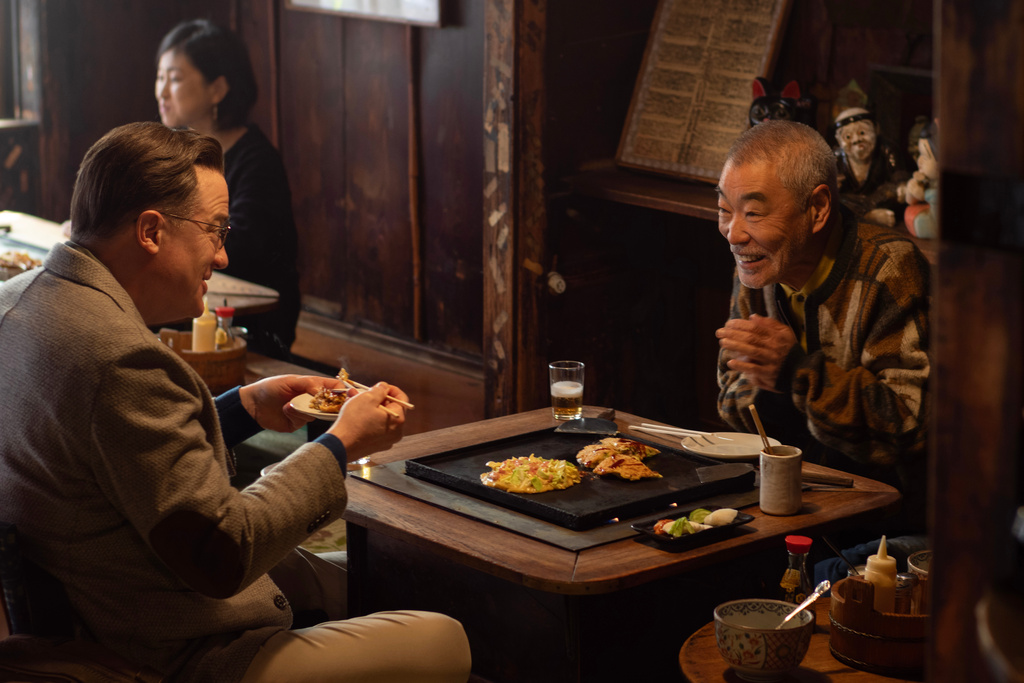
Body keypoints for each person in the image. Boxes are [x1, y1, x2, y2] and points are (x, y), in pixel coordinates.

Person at [0, 121, 471, 683]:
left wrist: (241, 408)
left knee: (381, 578)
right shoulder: (120, 360)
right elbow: (225, 550)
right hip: (177, 650)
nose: (222, 257)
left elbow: (114, 453)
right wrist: (340, 443)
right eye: (215, 230)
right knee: (448, 637)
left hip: (91, 605)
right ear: (150, 230)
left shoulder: (15, 301)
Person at [714, 120, 930, 544]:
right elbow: (731, 399)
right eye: (724, 209)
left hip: (884, 524)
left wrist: (798, 373)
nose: (733, 233)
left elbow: (907, 425)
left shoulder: (891, 269)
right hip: (786, 505)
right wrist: (775, 385)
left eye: (753, 213)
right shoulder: (759, 265)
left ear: (817, 209)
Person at [156, 19, 301, 360]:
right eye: (159, 77)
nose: (161, 91)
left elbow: (244, 246)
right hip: (194, 293)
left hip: (250, 313)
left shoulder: (256, 160)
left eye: (174, 79)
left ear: (217, 89)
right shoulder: (176, 149)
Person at [832, 107, 907, 228]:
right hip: (852, 202)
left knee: (895, 191)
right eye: (848, 137)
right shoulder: (836, 157)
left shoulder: (887, 149)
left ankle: (860, 216)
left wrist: (902, 187)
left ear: (876, 130)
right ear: (839, 140)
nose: (857, 140)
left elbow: (900, 180)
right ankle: (869, 217)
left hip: (881, 200)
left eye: (862, 133)